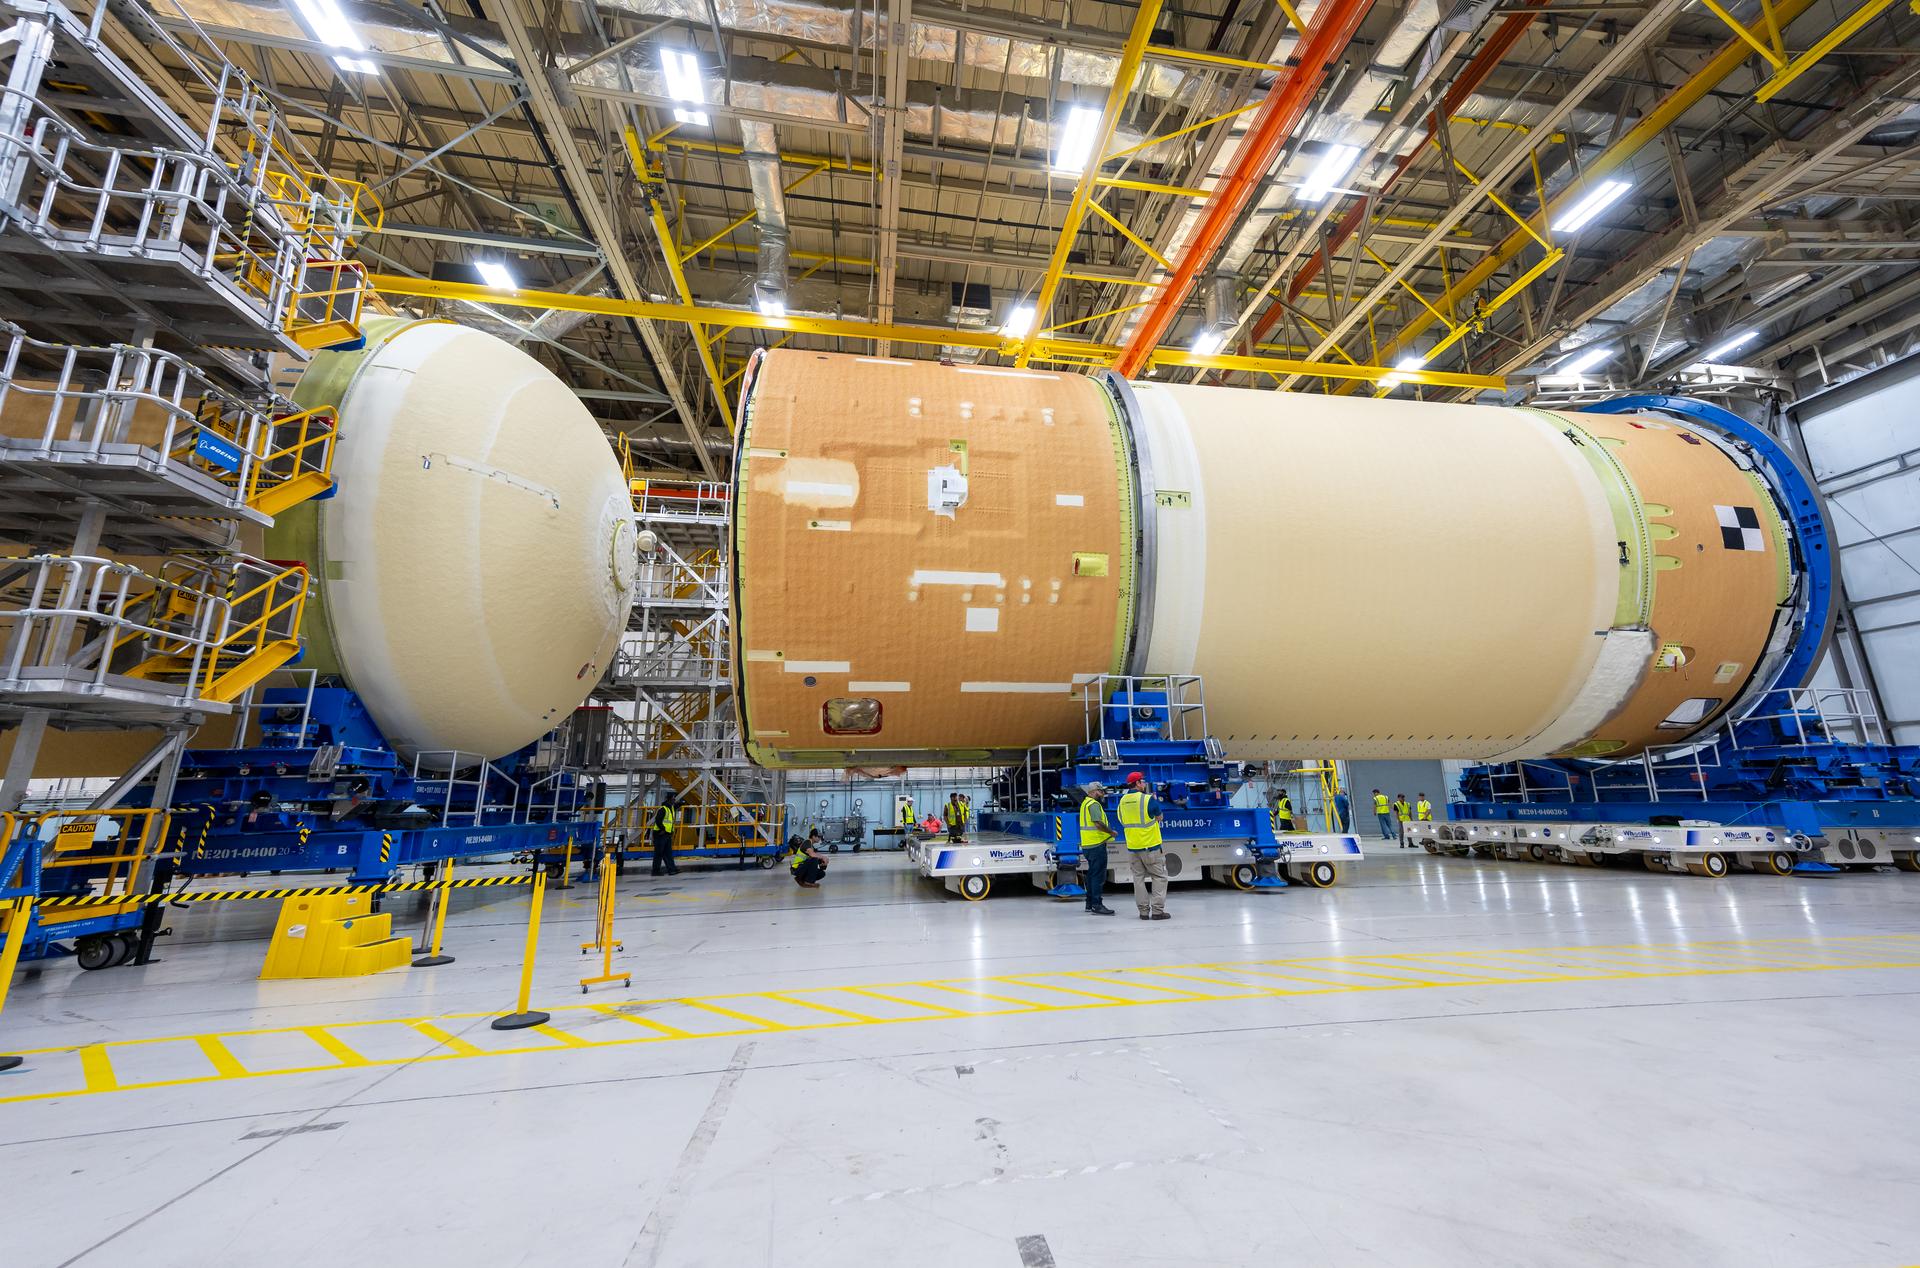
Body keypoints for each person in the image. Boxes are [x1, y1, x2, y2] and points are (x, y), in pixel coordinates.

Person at [1116, 771, 1170, 921]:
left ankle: (1144, 912)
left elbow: (1122, 820)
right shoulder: (1147, 800)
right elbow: (1160, 817)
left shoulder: (1122, 802)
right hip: (1151, 847)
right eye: (1143, 781)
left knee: (1138, 879)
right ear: (1138, 783)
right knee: (1159, 877)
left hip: (1133, 848)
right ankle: (1158, 911)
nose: (1145, 783)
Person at [1077, 782, 1116, 916]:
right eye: (1101, 791)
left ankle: (1089, 903)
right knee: (1098, 876)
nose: (1102, 794)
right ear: (1094, 791)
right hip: (1096, 845)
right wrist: (1111, 832)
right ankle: (1097, 905)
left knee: (1092, 874)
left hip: (1088, 844)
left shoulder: (1085, 803)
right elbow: (1098, 823)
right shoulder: (1093, 804)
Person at [651, 796, 679, 876]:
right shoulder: (663, 809)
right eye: (673, 799)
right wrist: (663, 829)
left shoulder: (671, 809)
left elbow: (677, 805)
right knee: (659, 853)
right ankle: (655, 871)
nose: (674, 800)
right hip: (660, 834)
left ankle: (672, 869)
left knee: (668, 853)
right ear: (669, 800)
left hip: (667, 834)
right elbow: (658, 820)